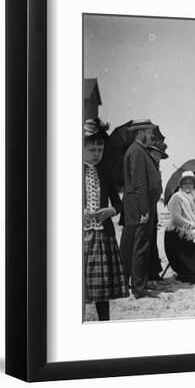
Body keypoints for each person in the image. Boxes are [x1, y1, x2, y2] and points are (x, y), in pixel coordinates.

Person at [83, 118, 128, 320]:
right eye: (92, 150)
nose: (96, 154)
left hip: (103, 237)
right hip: (81, 237)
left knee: (102, 289)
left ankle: (104, 323)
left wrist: (111, 211)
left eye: (100, 149)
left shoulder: (106, 173)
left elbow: (119, 203)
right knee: (79, 288)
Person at [119, 119, 163, 299]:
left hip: (138, 205)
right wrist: (144, 209)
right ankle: (139, 287)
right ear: (140, 133)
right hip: (140, 206)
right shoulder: (137, 151)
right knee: (140, 247)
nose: (151, 135)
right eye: (149, 131)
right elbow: (139, 183)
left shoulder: (138, 150)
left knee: (134, 246)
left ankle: (134, 284)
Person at [146, 144, 169, 281]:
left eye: (160, 155)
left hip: (153, 206)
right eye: (156, 153)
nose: (158, 157)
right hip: (146, 206)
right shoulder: (147, 167)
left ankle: (153, 272)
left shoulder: (155, 168)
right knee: (147, 241)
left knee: (153, 238)